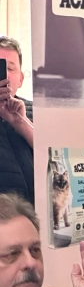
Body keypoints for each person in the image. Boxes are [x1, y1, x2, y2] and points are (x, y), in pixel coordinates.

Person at [0, 36, 34, 205]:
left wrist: (21, 123)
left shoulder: (38, 111)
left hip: (36, 213)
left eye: (10, 68)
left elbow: (57, 157)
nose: (4, 74)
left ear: (20, 79)